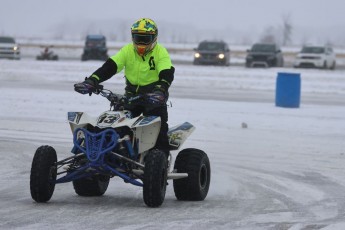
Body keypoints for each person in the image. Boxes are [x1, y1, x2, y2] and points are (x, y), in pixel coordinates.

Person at [74, 18, 174, 158]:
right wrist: (92, 80)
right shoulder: (128, 50)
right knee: (114, 126)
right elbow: (111, 66)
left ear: (154, 38)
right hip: (131, 98)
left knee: (159, 132)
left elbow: (166, 72)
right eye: (137, 38)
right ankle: (104, 155)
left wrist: (161, 89)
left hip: (154, 99)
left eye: (145, 39)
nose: (140, 43)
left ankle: (160, 165)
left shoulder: (160, 52)